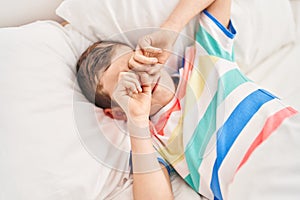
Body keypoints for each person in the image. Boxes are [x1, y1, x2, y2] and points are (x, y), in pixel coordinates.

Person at [76, 0, 299, 199]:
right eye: (125, 84)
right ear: (116, 112)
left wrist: (170, 29)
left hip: (287, 137)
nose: (139, 76)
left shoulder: (203, 58)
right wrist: (137, 120)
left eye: (135, 63)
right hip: (256, 182)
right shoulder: (151, 141)